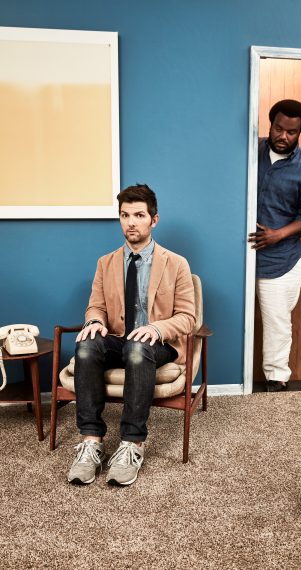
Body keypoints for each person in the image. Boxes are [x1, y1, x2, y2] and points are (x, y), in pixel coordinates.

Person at [68, 184, 195, 486]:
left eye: (139, 215)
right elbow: (95, 306)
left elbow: (188, 318)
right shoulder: (106, 262)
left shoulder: (176, 264)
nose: (131, 222)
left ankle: (131, 444)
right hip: (118, 339)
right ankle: (91, 442)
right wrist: (95, 321)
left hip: (158, 343)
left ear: (154, 219)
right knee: (86, 344)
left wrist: (155, 328)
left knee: (138, 347)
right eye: (125, 215)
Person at [248, 99, 301, 393]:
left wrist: (278, 235)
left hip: (281, 260)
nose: (283, 136)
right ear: (271, 124)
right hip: (240, 256)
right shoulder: (250, 152)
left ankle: (276, 381)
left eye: (291, 132)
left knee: (277, 323)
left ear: (300, 132)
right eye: (278, 128)